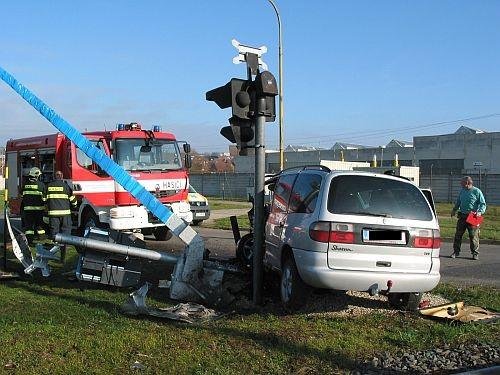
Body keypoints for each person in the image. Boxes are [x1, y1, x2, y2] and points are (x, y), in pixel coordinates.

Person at [450, 176, 486, 260]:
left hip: (473, 216)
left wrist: (480, 212)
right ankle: (456, 252)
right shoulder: (462, 191)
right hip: (462, 215)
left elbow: (482, 204)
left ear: (467, 183)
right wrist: (454, 210)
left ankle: (475, 253)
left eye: (462, 183)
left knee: (473, 236)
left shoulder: (477, 191)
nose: (460, 184)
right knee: (458, 235)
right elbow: (458, 202)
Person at [45, 170, 77, 261]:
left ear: (54, 177)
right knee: (65, 234)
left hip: (53, 214)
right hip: (65, 214)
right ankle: (63, 255)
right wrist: (74, 206)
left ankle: (53, 253)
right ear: (61, 177)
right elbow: (72, 199)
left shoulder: (49, 186)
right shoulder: (66, 186)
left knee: (54, 234)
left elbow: (44, 199)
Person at [21, 167, 46, 244]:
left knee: (29, 226)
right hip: (39, 210)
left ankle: (30, 241)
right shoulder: (41, 185)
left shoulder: (25, 185)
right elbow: (44, 198)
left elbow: (22, 195)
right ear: (37, 176)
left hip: (28, 210)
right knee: (39, 224)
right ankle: (41, 238)